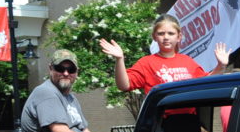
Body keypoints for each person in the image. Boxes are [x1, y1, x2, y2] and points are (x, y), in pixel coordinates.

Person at [20, 49, 128, 132]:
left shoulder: (70, 98)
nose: (66, 73)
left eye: (71, 69)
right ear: (50, 69)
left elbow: (85, 131)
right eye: (60, 68)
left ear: (77, 72)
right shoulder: (46, 93)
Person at [99, 13, 232, 95]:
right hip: (161, 121)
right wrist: (119, 59)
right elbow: (124, 85)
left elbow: (205, 83)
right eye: (161, 33)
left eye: (171, 33)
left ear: (179, 37)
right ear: (154, 37)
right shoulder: (146, 62)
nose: (166, 37)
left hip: (188, 120)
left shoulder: (187, 61)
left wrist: (220, 66)